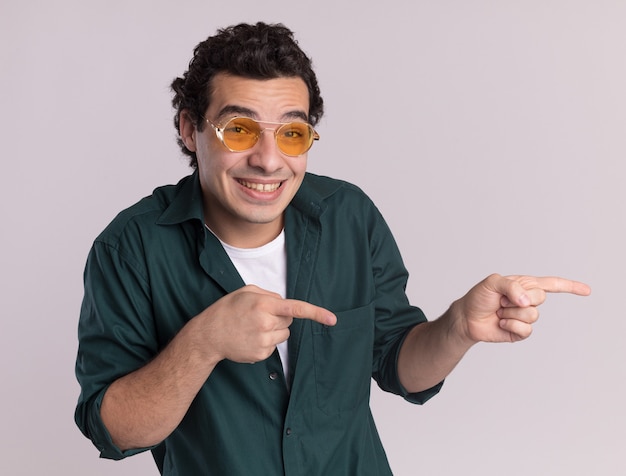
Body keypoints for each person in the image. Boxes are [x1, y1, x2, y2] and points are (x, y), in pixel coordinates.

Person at [74, 22, 591, 476]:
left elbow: (397, 364)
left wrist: (457, 328)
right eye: (239, 129)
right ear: (190, 130)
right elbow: (115, 429)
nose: (269, 160)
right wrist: (203, 342)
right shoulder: (129, 248)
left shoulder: (349, 216)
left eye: (293, 133)